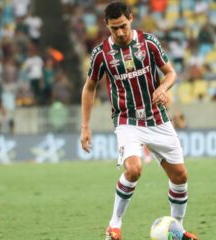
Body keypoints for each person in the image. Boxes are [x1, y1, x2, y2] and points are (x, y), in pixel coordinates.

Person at [80, 2, 197, 240]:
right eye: (114, 29)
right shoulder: (101, 54)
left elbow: (171, 73)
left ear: (131, 19)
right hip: (127, 120)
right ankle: (114, 225)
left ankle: (177, 229)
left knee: (180, 176)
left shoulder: (149, 43)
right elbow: (90, 87)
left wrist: (163, 88)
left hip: (157, 118)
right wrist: (85, 126)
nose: (120, 32)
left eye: (123, 26)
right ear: (107, 26)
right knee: (133, 169)